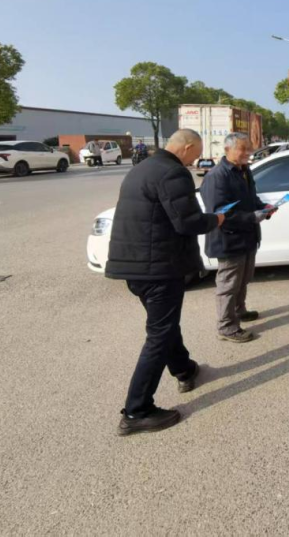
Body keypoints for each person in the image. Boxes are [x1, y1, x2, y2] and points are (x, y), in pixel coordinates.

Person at [105, 129, 225, 436]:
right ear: (186, 147)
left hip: (135, 266)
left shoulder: (142, 168)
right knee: (159, 335)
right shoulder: (173, 172)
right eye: (196, 153)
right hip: (158, 268)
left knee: (165, 326)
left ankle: (183, 368)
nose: (196, 159)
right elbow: (187, 222)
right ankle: (136, 411)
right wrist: (216, 219)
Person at [200, 132, 272, 344]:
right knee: (229, 284)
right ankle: (226, 326)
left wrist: (264, 208)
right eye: (243, 149)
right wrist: (252, 217)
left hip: (247, 237)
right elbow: (219, 213)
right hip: (229, 240)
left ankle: (239, 311)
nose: (248, 153)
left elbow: (251, 199)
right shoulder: (217, 176)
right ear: (227, 150)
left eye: (249, 149)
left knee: (243, 279)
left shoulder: (244, 170)